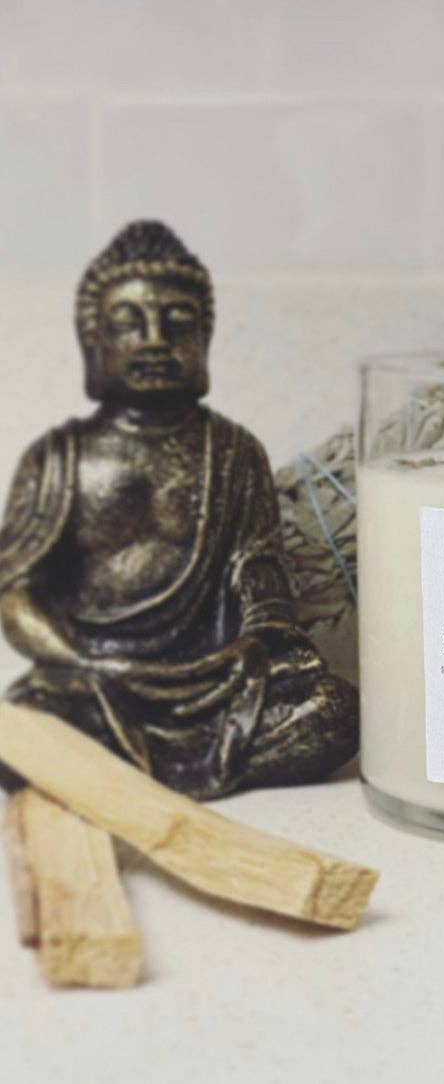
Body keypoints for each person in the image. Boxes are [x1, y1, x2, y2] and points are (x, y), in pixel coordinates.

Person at [0, 221, 357, 799]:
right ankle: (127, 765)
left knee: (331, 710)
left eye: (177, 322)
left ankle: (109, 775)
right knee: (18, 731)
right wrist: (85, 662)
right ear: (94, 342)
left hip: (212, 680)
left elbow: (257, 566)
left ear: (204, 340)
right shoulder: (60, 459)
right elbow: (17, 595)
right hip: (93, 680)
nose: (154, 340)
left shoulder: (235, 453)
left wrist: (263, 634)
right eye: (128, 323)